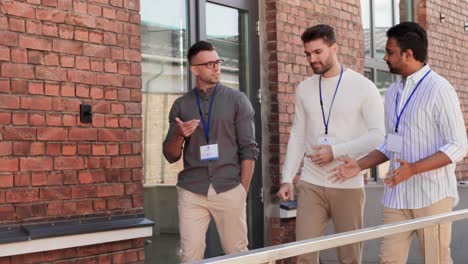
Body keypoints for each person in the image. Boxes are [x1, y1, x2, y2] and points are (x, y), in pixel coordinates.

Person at [330, 22, 468, 263]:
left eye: (389, 52)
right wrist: (359, 165)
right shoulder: (393, 91)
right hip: (396, 196)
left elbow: (458, 145)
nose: (384, 57)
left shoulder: (440, 89)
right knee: (388, 261)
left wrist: (413, 169)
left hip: (432, 197)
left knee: (436, 260)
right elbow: (391, 143)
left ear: (409, 54)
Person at [277, 24, 385, 264]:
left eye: (318, 52)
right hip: (311, 182)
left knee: (349, 257)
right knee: (304, 255)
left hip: (346, 183)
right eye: (307, 54)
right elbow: (297, 134)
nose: (312, 59)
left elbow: (378, 135)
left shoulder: (363, 86)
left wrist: (335, 151)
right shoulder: (304, 89)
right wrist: (287, 177)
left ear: (334, 48)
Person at [163, 40, 258, 262]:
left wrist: (242, 191)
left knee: (237, 254)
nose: (216, 67)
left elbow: (249, 149)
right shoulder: (181, 105)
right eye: (209, 64)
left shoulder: (237, 100)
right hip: (192, 191)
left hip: (229, 188)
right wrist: (179, 134)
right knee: (190, 256)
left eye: (218, 62)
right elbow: (170, 155)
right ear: (194, 69)